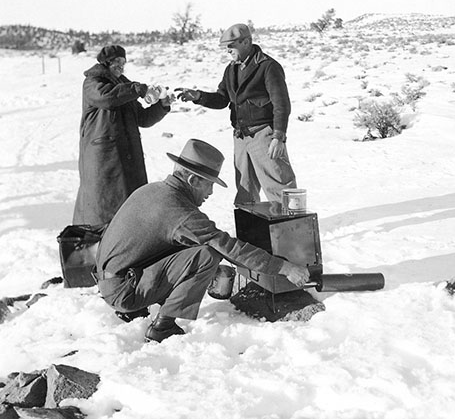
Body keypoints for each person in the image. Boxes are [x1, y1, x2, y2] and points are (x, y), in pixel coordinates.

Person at [94, 139, 310, 343]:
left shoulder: (153, 190)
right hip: (123, 291)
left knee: (195, 245)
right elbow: (227, 247)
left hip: (113, 281)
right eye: (209, 184)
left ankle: (136, 306)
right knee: (208, 254)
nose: (210, 192)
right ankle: (163, 327)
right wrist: (283, 267)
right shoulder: (180, 212)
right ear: (193, 180)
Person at [177, 23, 297, 205]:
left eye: (231, 46)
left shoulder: (268, 67)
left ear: (246, 42)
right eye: (227, 47)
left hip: (264, 135)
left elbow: (281, 104)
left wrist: (278, 137)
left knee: (279, 187)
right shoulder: (231, 69)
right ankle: (249, 231)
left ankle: (293, 231)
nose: (228, 51)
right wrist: (199, 96)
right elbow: (222, 98)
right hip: (241, 137)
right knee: (245, 190)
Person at [73, 44, 172, 227]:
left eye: (124, 62)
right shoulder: (92, 83)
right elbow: (107, 98)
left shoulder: (123, 86)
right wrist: (137, 89)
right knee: (102, 209)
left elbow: (143, 118)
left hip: (127, 158)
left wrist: (162, 106)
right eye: (117, 61)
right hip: (103, 160)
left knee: (128, 208)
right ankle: (96, 249)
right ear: (106, 63)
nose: (121, 66)